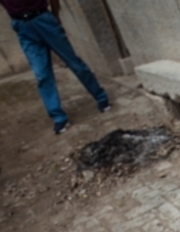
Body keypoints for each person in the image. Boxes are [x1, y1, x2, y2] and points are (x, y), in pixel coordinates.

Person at [1, 0, 110, 134]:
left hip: (43, 19)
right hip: (22, 26)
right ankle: (58, 117)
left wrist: (55, 16)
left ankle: (101, 97)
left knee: (74, 63)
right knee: (42, 74)